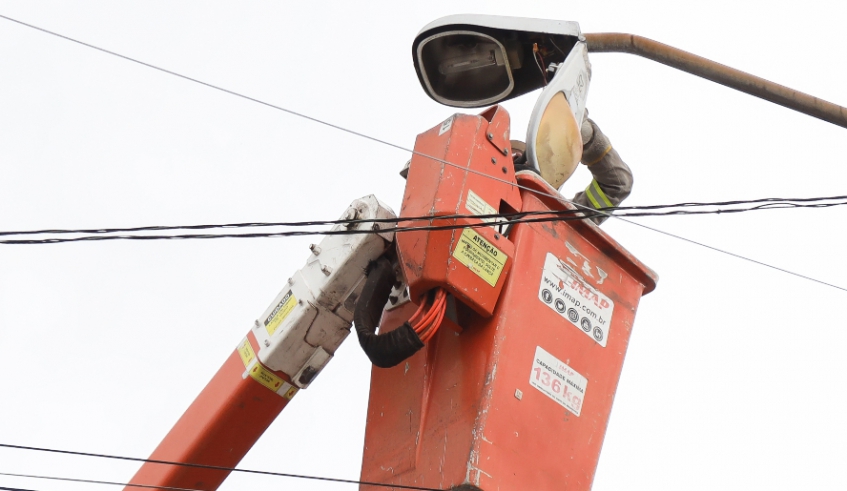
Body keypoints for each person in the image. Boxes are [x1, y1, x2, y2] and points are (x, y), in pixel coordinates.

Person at [511, 115, 632, 225]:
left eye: (527, 158)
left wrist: (589, 139)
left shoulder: (552, 217)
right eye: (512, 156)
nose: (519, 158)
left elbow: (618, 184)